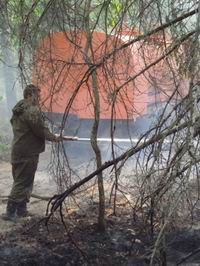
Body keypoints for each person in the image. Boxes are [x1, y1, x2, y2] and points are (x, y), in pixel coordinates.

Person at [2, 84, 61, 220]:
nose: (39, 99)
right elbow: (40, 130)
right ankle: (10, 213)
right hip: (28, 152)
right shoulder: (32, 110)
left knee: (23, 180)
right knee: (23, 182)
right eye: (37, 96)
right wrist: (54, 138)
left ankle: (22, 210)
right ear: (29, 95)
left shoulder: (19, 109)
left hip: (18, 149)